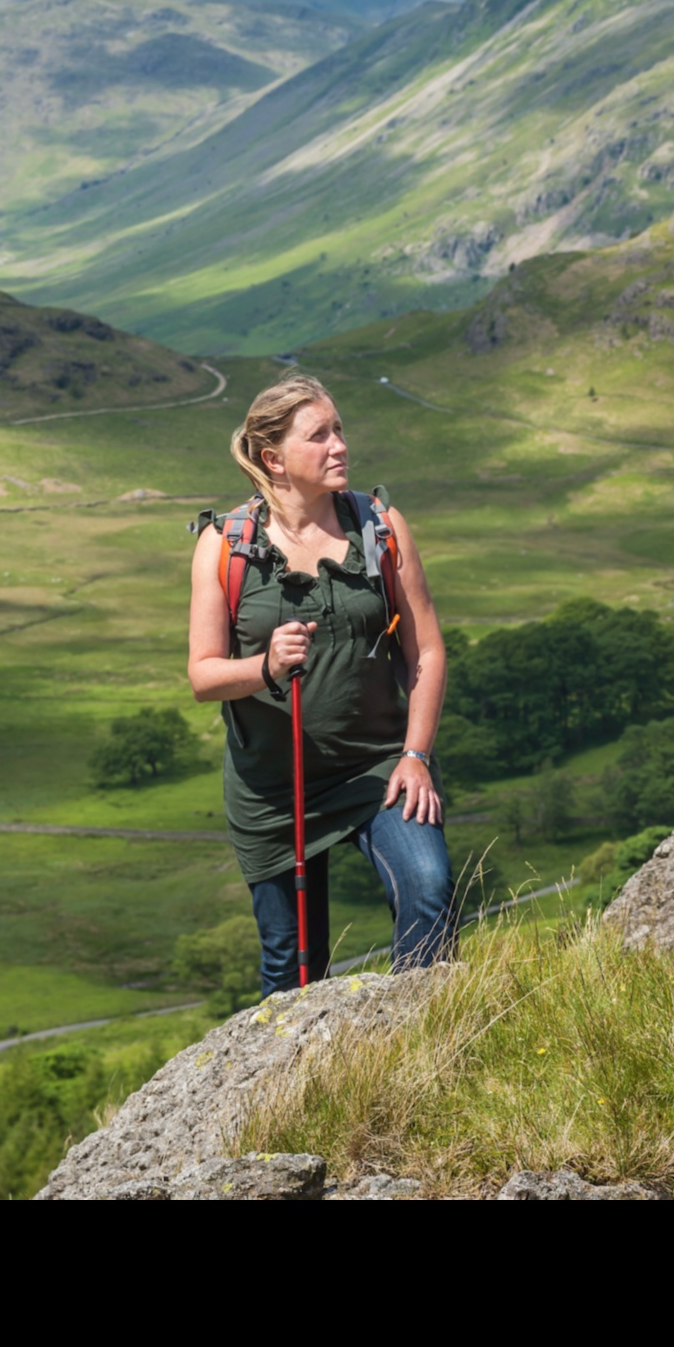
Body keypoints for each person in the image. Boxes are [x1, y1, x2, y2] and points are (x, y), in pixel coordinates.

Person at [189, 375, 456, 995]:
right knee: (293, 971)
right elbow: (204, 676)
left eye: (339, 429)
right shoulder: (225, 545)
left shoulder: (380, 526)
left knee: (429, 889)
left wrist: (416, 757)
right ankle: (298, 1092)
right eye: (320, 435)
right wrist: (265, 667)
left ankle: (421, 1049)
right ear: (273, 459)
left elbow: (427, 650)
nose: (339, 445)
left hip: (378, 766)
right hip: (274, 792)